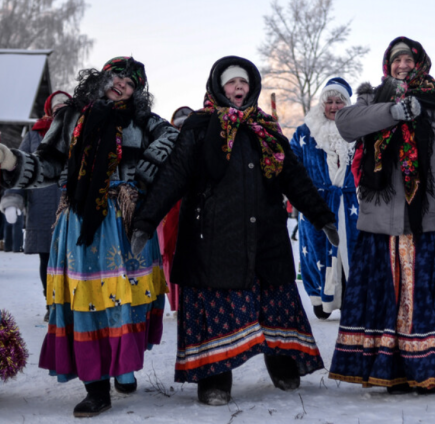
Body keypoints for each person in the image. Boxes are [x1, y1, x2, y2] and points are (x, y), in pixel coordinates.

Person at [130, 56, 336, 406]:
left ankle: (283, 361)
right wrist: (146, 223)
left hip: (266, 235)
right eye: (231, 83)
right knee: (217, 312)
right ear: (218, 87)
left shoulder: (266, 129)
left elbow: (294, 178)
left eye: (243, 82)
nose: (238, 88)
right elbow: (173, 178)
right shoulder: (199, 126)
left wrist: (322, 216)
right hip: (214, 238)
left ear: (252, 86)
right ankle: (214, 378)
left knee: (273, 304)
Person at [0, 57, 177, 417]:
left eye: (132, 83)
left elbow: (174, 137)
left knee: (126, 299)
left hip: (124, 218)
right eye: (118, 76)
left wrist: (148, 167)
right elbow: (48, 164)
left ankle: (123, 365)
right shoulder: (70, 116)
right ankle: (96, 387)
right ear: (104, 77)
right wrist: (12, 161)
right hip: (78, 219)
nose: (123, 85)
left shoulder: (140, 119)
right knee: (86, 301)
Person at [329, 36, 435, 394]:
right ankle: (391, 372)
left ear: (420, 64)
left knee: (422, 300)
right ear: (388, 66)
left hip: (426, 221)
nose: (402, 65)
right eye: (396, 60)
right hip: (380, 224)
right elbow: (346, 124)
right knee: (387, 300)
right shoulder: (372, 99)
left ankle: (425, 371)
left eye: (408, 60)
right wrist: (392, 112)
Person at [289, 77, 359, 320]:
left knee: (352, 249)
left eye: (339, 101)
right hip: (316, 203)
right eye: (329, 101)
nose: (333, 106)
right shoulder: (304, 133)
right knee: (315, 251)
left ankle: (352, 298)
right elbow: (289, 168)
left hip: (351, 204)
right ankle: (320, 298)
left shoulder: (359, 132)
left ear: (348, 104)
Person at [0, 90, 71, 317]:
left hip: (72, 206)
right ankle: (51, 304)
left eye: (66, 107)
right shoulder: (34, 135)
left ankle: (70, 303)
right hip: (42, 206)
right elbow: (18, 168)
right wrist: (14, 199)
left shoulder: (79, 131)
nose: (61, 112)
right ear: (49, 110)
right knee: (47, 257)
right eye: (57, 108)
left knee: (72, 258)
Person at [156, 105, 194, 313]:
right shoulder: (165, 147)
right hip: (170, 209)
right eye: (179, 127)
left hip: (192, 206)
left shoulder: (202, 145)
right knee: (170, 252)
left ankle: (189, 300)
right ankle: (178, 301)